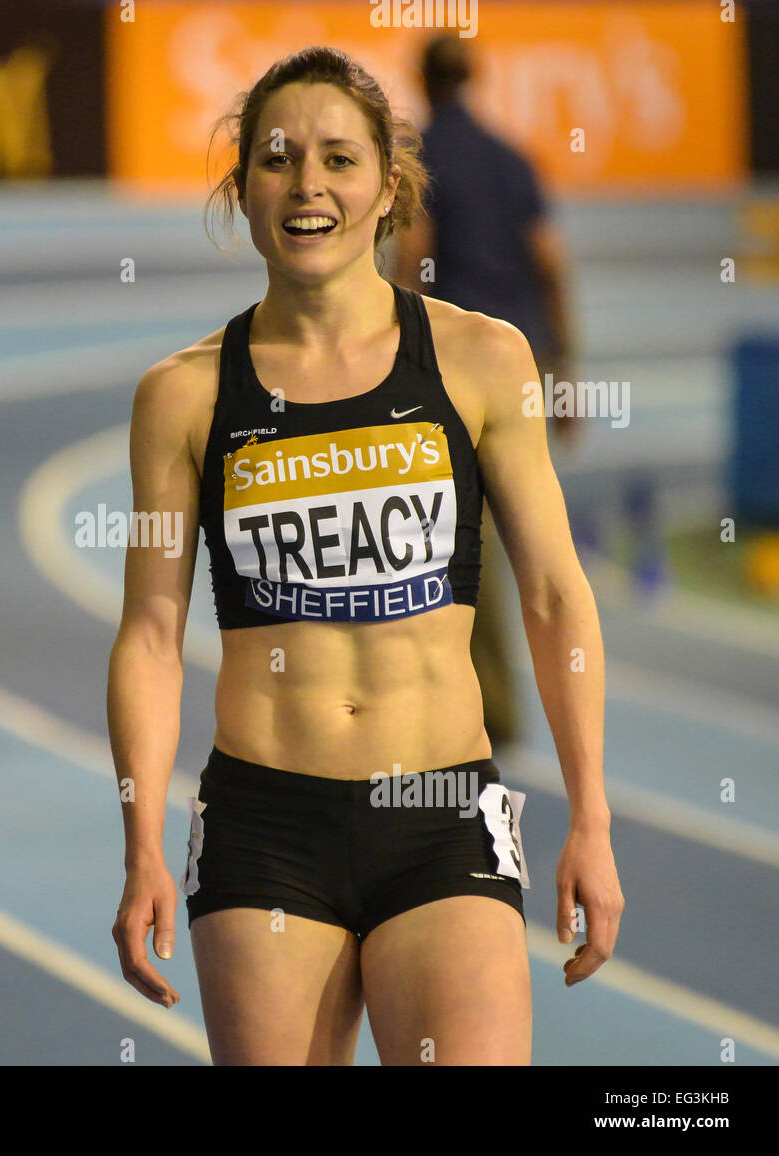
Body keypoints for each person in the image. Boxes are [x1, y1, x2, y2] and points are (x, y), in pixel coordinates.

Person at [108, 46, 622, 1065]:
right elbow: (153, 635)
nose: (307, 185)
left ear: (388, 185)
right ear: (242, 187)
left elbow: (558, 599)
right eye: (276, 158)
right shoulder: (183, 396)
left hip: (440, 812)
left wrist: (592, 820)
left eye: (338, 159)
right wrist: (139, 847)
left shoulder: (481, 359)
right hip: (264, 824)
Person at [394, 33, 579, 747]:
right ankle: (542, 707)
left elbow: (414, 254)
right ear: (474, 77)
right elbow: (550, 264)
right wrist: (566, 377)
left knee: (460, 543)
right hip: (525, 363)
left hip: (458, 372)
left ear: (421, 79)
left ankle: (486, 709)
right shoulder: (511, 158)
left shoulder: (422, 161)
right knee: (537, 543)